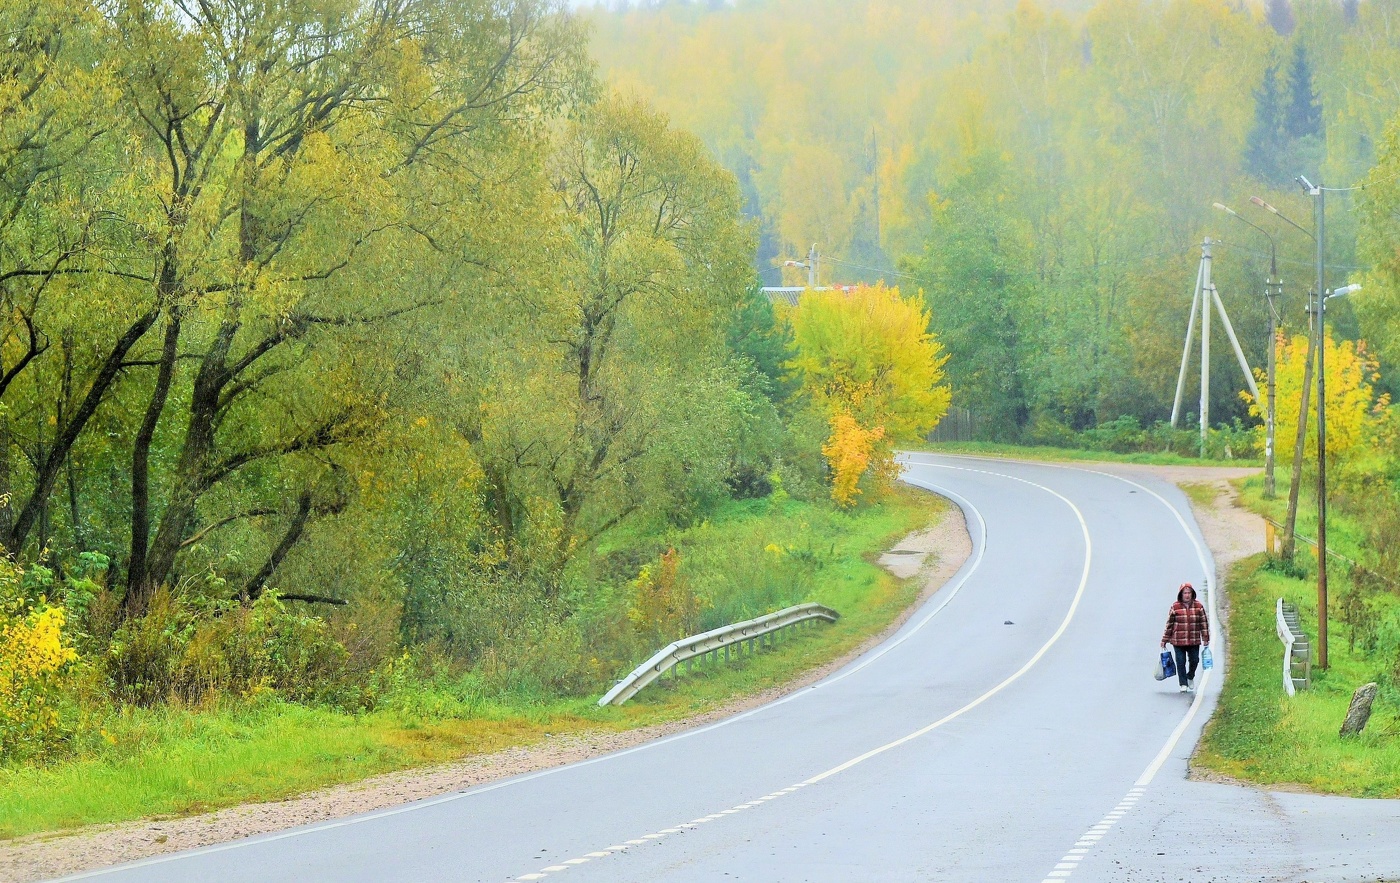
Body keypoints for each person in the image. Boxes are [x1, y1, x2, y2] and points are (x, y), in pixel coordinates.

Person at [1161, 582, 1209, 694]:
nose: (1187, 595)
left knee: (1195, 660)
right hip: (1178, 641)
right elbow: (1169, 625)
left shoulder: (1199, 607)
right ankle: (1183, 683)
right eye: (1185, 593)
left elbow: (1204, 623)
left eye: (1189, 593)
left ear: (1192, 594)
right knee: (1180, 662)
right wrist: (1164, 640)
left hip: (1193, 640)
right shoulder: (1175, 607)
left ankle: (1190, 676)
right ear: (1181, 594)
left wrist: (1205, 637)